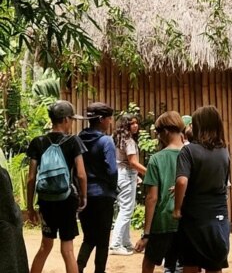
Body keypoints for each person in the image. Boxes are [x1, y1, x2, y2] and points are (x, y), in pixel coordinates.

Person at [26, 100, 88, 273]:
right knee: (67, 250)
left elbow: (31, 178)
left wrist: (30, 206)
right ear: (66, 119)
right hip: (67, 200)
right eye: (72, 119)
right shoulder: (73, 141)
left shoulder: (37, 142)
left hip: (46, 201)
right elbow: (81, 174)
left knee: (45, 247)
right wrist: (84, 197)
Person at [173, 106, 230, 273]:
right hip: (219, 215)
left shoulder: (189, 150)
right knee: (215, 265)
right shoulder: (224, 151)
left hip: (194, 216)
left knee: (190, 263)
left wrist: (177, 208)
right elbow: (224, 182)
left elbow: (182, 181)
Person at [134, 111, 185, 273]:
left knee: (148, 263)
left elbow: (152, 198)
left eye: (158, 133)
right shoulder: (192, 155)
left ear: (166, 131)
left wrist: (146, 233)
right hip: (187, 220)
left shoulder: (157, 159)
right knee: (183, 265)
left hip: (163, 221)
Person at [77, 103, 117, 273]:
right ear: (101, 119)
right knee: (102, 240)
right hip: (103, 195)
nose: (110, 122)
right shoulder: (106, 141)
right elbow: (112, 170)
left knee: (89, 237)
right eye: (108, 118)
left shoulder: (78, 139)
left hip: (84, 195)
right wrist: (113, 188)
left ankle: (77, 268)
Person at [110, 114, 146, 255]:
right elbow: (133, 162)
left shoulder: (118, 140)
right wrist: (148, 172)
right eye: (132, 123)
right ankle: (116, 244)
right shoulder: (129, 141)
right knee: (126, 210)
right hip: (127, 175)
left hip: (120, 174)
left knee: (124, 208)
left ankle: (125, 241)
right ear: (126, 126)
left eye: (136, 123)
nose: (135, 125)